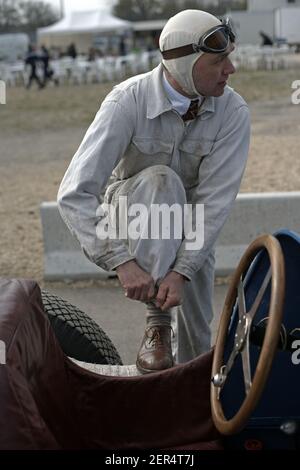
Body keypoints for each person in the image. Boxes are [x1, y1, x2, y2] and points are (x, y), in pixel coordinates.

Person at [57, 10, 250, 374]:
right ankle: (157, 323)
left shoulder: (234, 111)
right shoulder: (126, 101)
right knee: (161, 180)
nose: (231, 70)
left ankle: (194, 404)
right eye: (219, 60)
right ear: (185, 65)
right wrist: (121, 261)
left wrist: (183, 270)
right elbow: (75, 193)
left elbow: (214, 203)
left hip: (193, 228)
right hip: (133, 216)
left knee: (198, 341)